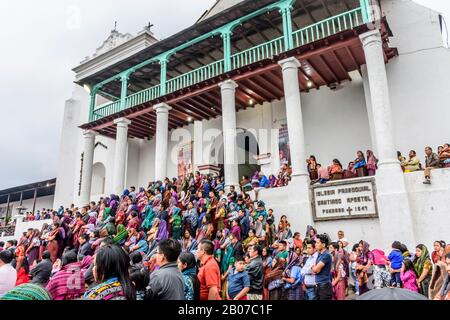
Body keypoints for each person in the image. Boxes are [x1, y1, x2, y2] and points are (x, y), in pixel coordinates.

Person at [311, 234, 333, 300]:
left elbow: (315, 270)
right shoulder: (320, 254)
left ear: (323, 245)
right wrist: (314, 268)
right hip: (318, 285)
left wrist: (313, 267)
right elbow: (315, 271)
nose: (315, 244)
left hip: (324, 286)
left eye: (318, 243)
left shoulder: (326, 255)